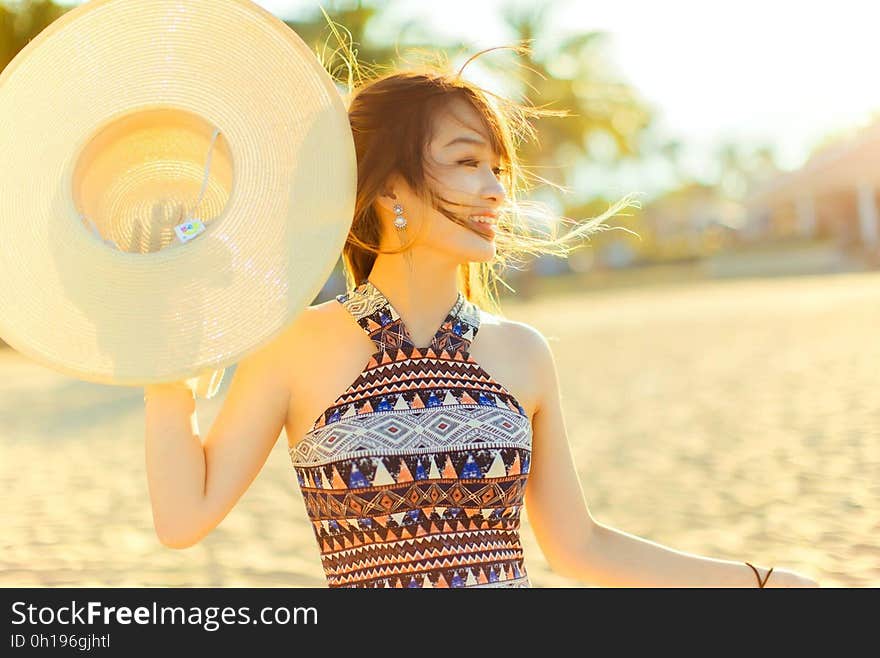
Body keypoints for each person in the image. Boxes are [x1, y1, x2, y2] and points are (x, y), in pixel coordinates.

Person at [143, 45, 819, 588]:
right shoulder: (296, 346)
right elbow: (183, 518)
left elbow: (577, 546)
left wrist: (758, 585)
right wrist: (164, 362)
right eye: (467, 163)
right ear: (387, 187)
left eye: (498, 169)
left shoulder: (522, 353)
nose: (496, 190)